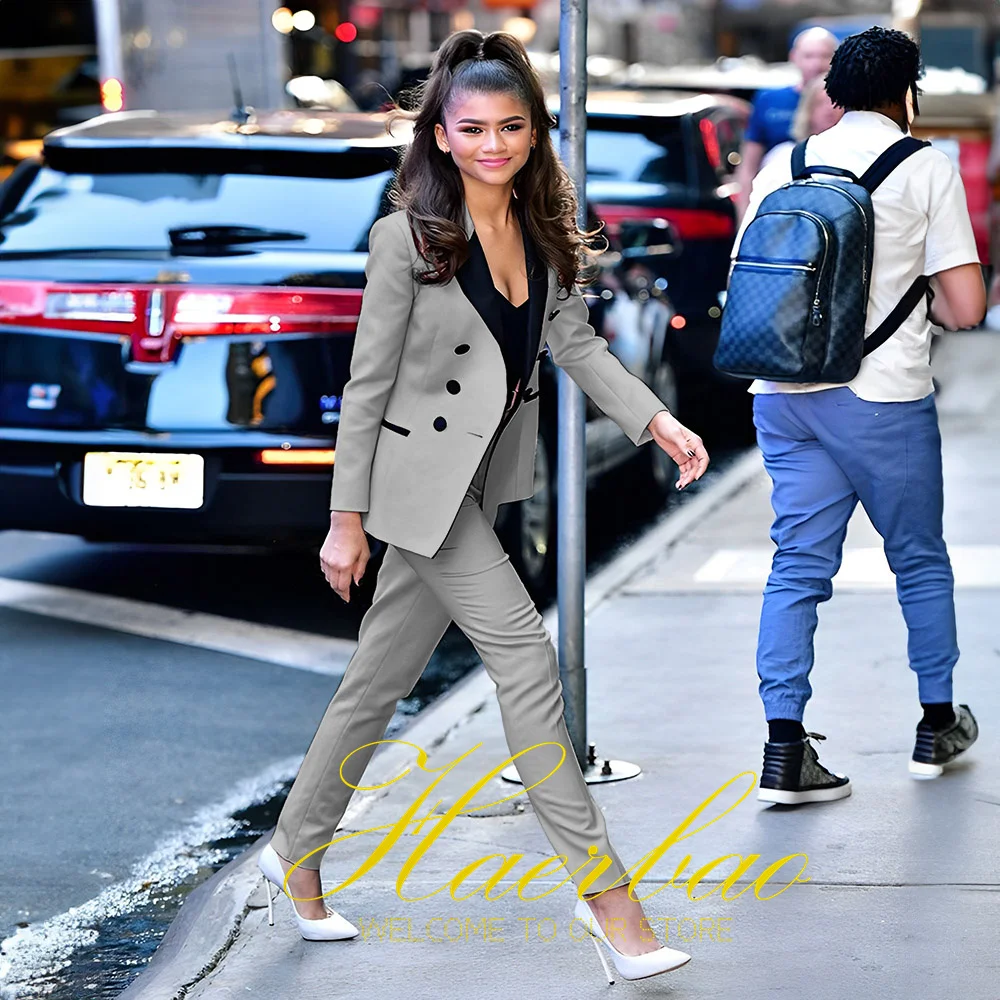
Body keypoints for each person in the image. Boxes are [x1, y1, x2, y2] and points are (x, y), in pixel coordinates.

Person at [255, 29, 710, 981]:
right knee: (527, 661)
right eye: (473, 128)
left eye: (511, 126)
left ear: (535, 133)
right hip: (414, 489)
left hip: (478, 484)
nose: (493, 143)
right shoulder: (405, 239)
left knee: (373, 688)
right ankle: (609, 902)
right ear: (442, 135)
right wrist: (344, 522)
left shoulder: (540, 230)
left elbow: (577, 345)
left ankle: (295, 851)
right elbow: (366, 388)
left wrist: (657, 422)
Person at [733, 26, 985, 805]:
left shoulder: (788, 161)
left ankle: (784, 749)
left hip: (782, 396)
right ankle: (936, 724)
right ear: (907, 93)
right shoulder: (926, 168)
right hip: (883, 397)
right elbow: (969, 307)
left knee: (797, 566)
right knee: (917, 558)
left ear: (834, 91)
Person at [733, 26, 839, 220]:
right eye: (809, 56)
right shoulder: (770, 99)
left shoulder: (848, 102)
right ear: (794, 57)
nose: (817, 64)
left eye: (825, 56)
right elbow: (748, 164)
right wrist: (745, 217)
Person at [759, 76, 844, 170]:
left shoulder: (852, 154)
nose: (829, 109)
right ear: (808, 110)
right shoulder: (784, 155)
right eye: (821, 103)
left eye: (836, 103)